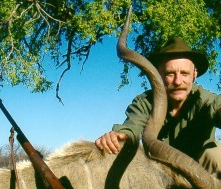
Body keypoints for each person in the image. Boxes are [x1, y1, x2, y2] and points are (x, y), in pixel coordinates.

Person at [95, 37, 221, 175]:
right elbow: (131, 128)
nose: (178, 81)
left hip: (201, 176)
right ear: (158, 75)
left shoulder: (204, 99)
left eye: (184, 73)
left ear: (194, 75)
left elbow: (216, 107)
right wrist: (117, 137)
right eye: (169, 74)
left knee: (216, 155)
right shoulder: (146, 102)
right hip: (160, 175)